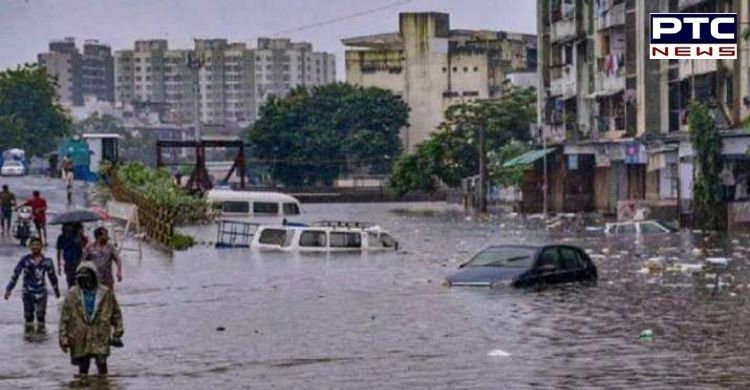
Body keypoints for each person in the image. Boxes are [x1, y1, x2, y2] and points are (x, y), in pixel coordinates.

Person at [59, 262, 124, 378]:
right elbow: (65, 318)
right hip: (80, 334)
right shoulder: (72, 294)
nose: (85, 280)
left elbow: (116, 313)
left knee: (102, 364)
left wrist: (118, 331)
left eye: (87, 276)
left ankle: (103, 385)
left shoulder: (106, 293)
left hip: (100, 333)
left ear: (93, 276)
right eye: (81, 277)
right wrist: (63, 338)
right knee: (83, 366)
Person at [4, 237, 61, 333]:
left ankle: (41, 336)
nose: (35, 247)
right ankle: (28, 338)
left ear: (41, 246)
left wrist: (57, 294)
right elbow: (15, 275)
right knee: (28, 317)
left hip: (41, 292)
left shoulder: (47, 262)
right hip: (27, 292)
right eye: (33, 245)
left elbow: (53, 278)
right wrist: (8, 289)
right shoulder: (24, 260)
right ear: (30, 246)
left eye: (37, 245)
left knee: (41, 316)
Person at [57, 223, 88, 289]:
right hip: (68, 262)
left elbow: (85, 247)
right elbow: (59, 251)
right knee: (70, 280)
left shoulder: (77, 236)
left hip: (78, 261)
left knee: (79, 280)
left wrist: (80, 235)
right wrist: (58, 265)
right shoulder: (61, 237)